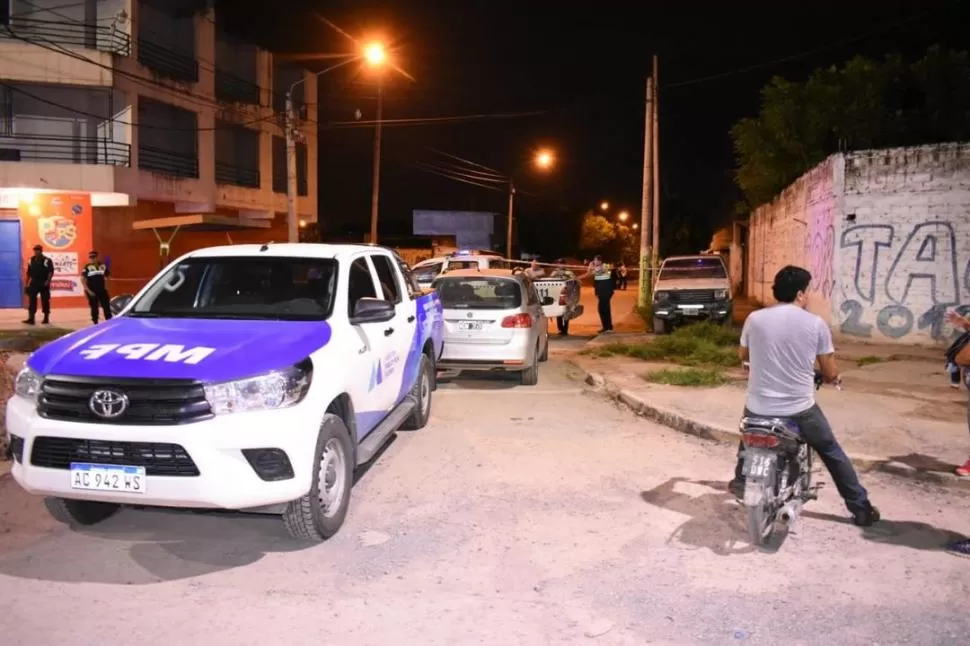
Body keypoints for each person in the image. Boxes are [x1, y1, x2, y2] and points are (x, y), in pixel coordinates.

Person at [728, 265, 881, 527]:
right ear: (800, 293)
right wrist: (834, 378)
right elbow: (829, 370)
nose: (808, 295)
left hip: (759, 406)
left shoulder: (755, 319)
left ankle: (742, 480)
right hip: (799, 409)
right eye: (807, 290)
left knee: (749, 434)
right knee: (831, 450)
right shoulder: (815, 323)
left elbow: (743, 356)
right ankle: (861, 508)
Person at [580, 255, 614, 334]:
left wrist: (578, 277)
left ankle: (607, 327)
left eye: (595, 260)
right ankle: (608, 327)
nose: (594, 262)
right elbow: (589, 273)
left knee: (602, 309)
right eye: (594, 260)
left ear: (600, 261)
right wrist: (590, 267)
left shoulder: (604, 266)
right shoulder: (596, 268)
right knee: (605, 309)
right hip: (601, 291)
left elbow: (611, 266)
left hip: (606, 291)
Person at [23, 244, 54, 325]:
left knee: (45, 300)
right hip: (34, 283)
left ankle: (46, 318)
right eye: (35, 250)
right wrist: (26, 284)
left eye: (38, 250)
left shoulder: (46, 260)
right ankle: (31, 318)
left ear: (41, 251)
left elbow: (51, 271)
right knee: (32, 301)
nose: (36, 251)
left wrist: (48, 281)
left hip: (43, 283)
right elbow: (28, 273)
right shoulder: (31, 260)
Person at [82, 250, 112, 324]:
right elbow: (82, 280)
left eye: (93, 257)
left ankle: (109, 322)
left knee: (106, 307)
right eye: (90, 257)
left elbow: (108, 276)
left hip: (102, 290)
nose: (92, 259)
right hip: (92, 292)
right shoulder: (87, 267)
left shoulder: (103, 266)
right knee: (94, 308)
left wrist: (106, 287)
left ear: (97, 257)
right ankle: (95, 323)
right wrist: (88, 291)